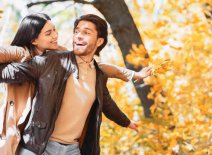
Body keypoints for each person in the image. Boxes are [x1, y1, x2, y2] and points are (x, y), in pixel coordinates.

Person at [0, 13, 150, 154]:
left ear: (99, 41)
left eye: (86, 33)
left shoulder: (98, 74)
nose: (78, 36)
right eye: (76, 31)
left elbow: (107, 103)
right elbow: (7, 73)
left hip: (72, 149)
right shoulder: (51, 60)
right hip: (39, 146)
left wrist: (126, 122)